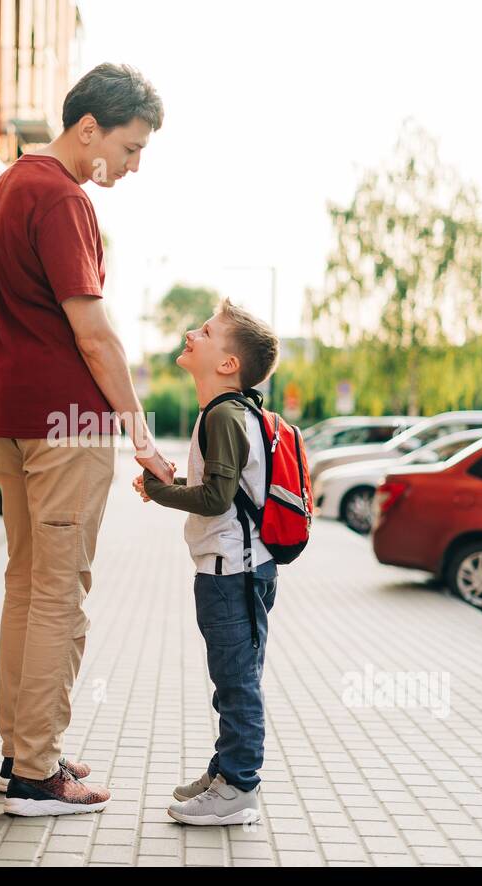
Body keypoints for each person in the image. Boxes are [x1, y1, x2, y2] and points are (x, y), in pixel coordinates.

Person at [0, 63, 173, 817]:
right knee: (60, 595)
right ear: (88, 128)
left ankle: (22, 751)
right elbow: (94, 334)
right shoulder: (61, 198)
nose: (133, 165)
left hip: (12, 420)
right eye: (130, 148)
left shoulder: (7, 184)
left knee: (27, 589)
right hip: (67, 425)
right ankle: (37, 773)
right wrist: (141, 434)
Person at [135, 298, 281, 825]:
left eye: (206, 330)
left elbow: (216, 499)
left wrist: (159, 489)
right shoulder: (233, 412)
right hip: (241, 569)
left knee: (236, 681)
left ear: (228, 364)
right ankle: (226, 771)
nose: (191, 333)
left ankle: (239, 788)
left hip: (231, 572)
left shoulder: (222, 414)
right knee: (234, 676)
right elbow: (223, 490)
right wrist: (169, 487)